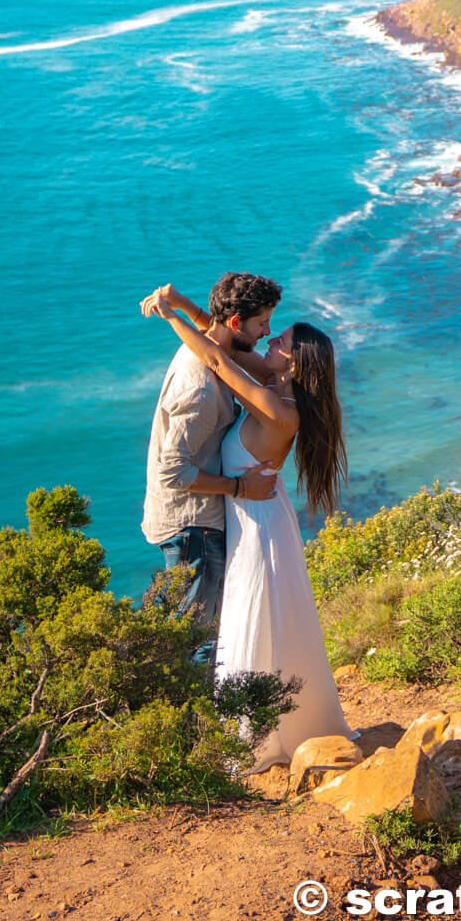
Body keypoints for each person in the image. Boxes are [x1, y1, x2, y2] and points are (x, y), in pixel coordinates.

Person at [143, 285, 353, 768]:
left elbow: (218, 362)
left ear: (293, 364)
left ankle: (239, 732)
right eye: (267, 330)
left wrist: (168, 317)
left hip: (255, 519)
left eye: (279, 340)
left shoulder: (277, 408)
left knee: (246, 618)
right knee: (246, 619)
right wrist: (189, 306)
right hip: (250, 513)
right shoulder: (275, 382)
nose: (269, 341)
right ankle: (250, 719)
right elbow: (223, 341)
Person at [140, 272, 282, 664]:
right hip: (192, 528)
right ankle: (192, 723)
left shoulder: (208, 350)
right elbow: (174, 472)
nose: (267, 332)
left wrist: (180, 304)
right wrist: (239, 488)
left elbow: (214, 337)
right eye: (261, 323)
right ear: (237, 324)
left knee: (186, 632)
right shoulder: (201, 389)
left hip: (191, 524)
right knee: (196, 639)